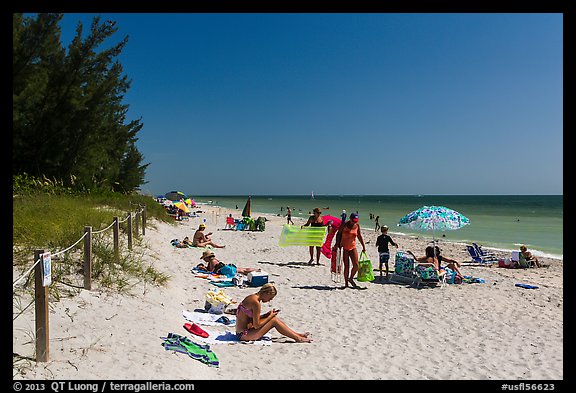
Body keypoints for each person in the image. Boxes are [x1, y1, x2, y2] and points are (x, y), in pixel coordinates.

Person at [235, 283, 312, 343]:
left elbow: (250, 319)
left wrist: (266, 315)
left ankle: (296, 335)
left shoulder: (251, 297)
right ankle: (298, 338)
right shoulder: (256, 303)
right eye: (270, 298)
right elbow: (256, 325)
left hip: (240, 333)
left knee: (273, 318)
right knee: (273, 320)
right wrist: (270, 316)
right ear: (267, 293)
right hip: (244, 335)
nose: (269, 301)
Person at [335, 212, 366, 289]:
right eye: (353, 220)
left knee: (356, 265)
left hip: (353, 247)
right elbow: (338, 234)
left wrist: (363, 246)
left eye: (356, 221)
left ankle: (351, 278)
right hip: (345, 247)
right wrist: (337, 245)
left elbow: (359, 236)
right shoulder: (344, 224)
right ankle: (346, 283)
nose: (354, 222)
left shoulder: (357, 226)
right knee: (347, 266)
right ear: (350, 219)